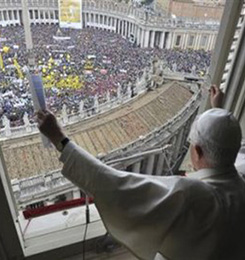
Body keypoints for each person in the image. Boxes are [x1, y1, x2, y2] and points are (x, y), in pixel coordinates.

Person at [37, 86, 245, 260]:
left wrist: (60, 139)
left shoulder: (189, 195)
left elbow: (115, 185)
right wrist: (217, 112)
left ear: (197, 151)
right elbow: (226, 150)